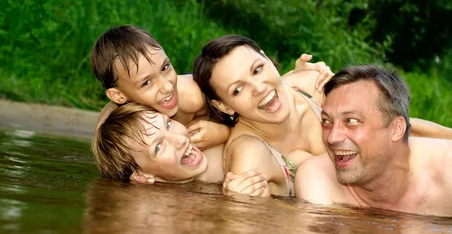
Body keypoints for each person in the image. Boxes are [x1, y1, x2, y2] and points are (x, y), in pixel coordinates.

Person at [192, 35, 452, 197]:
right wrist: (238, 199)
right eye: (237, 90)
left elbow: (393, 126)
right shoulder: (248, 150)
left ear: (268, 60)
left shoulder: (309, 86)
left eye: (258, 69)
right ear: (224, 107)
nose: (260, 88)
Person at [295, 64, 452, 233]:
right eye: (327, 122)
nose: (333, 137)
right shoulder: (316, 176)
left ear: (396, 129)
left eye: (352, 121)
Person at [90, 25, 332, 151]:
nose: (165, 87)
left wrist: (221, 133)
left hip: (243, 129)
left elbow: (240, 98)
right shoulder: (119, 123)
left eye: (165, 68)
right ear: (118, 95)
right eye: (146, 83)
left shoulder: (192, 96)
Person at [93, 102, 275, 195]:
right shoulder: (159, 205)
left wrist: (223, 131)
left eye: (169, 124)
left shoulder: (216, 141)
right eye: (159, 147)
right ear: (141, 176)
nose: (179, 139)